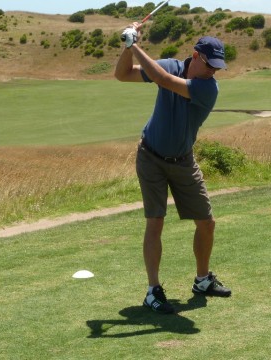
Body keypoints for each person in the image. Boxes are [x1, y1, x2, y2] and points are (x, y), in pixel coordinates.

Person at [115, 23, 232, 314]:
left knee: (207, 222)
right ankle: (153, 291)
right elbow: (122, 75)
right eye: (209, 65)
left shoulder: (208, 88)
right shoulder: (172, 65)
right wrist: (127, 47)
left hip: (183, 160)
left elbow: (163, 79)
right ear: (195, 56)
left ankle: (202, 280)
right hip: (150, 156)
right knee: (155, 221)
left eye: (218, 67)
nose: (213, 71)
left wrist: (134, 45)